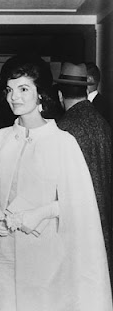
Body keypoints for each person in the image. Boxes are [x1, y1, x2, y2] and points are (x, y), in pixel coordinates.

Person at [0, 54, 112, 311]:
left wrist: (40, 213)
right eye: (10, 90)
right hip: (1, 256)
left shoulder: (63, 142)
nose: (15, 97)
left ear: (41, 94)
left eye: (24, 89)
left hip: (44, 260)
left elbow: (78, 203)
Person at [56, 62, 112, 275]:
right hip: (104, 223)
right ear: (86, 90)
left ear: (61, 95)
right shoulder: (103, 123)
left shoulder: (64, 129)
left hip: (79, 230)